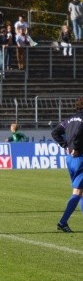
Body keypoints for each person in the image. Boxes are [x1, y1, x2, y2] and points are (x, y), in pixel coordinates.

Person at [51, 96, 83, 233]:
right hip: (80, 157)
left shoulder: (69, 120)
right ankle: (62, 222)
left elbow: (55, 132)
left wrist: (65, 145)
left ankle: (63, 222)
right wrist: (76, 147)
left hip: (70, 159)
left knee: (81, 191)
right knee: (77, 192)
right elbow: (79, 133)